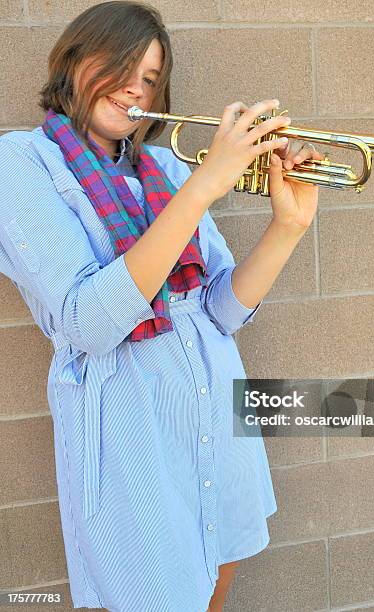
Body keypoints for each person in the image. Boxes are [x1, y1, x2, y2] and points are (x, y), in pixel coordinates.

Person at [0, 2, 322, 611]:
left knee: (216, 577)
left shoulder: (167, 167)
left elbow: (221, 311)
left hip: (213, 410)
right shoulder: (18, 163)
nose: (134, 87)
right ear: (71, 62)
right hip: (129, 429)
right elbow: (89, 320)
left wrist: (287, 225)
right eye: (119, 65)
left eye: (150, 78)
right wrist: (206, 186)